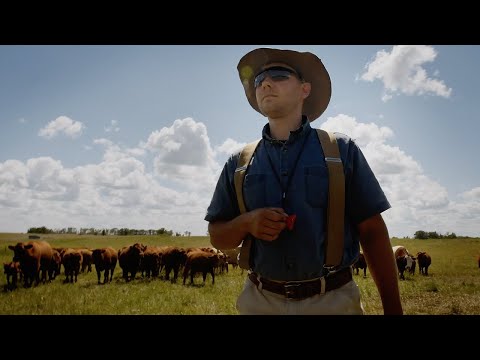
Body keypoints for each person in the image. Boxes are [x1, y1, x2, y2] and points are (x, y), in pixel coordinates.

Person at [205, 47, 403, 315]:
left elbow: (372, 231)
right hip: (259, 302)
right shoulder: (239, 162)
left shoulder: (341, 150)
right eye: (258, 80)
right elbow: (217, 236)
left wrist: (394, 310)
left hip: (332, 301)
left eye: (279, 75)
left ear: (305, 90)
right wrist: (247, 223)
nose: (264, 83)